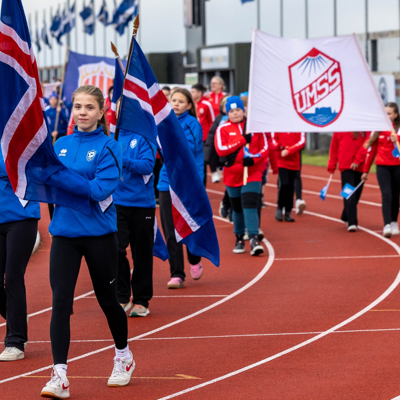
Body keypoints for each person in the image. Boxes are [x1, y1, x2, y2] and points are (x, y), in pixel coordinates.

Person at [40, 85, 133, 399]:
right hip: (64, 235)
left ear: (101, 112)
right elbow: (50, 184)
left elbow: (98, 190)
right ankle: (59, 376)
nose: (82, 112)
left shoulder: (110, 146)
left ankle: (123, 356)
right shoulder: (61, 144)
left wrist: (61, 178)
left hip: (99, 236)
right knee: (60, 303)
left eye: (89, 107)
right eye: (78, 106)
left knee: (108, 302)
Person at [158, 88, 204, 288]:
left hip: (187, 182)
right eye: (173, 100)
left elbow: (189, 149)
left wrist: (169, 136)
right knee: (170, 230)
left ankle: (194, 258)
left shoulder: (192, 123)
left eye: (181, 101)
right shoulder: (162, 121)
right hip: (166, 181)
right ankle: (177, 273)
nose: (176, 104)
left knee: (188, 225)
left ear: (189, 105)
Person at [112, 125, 157, 317]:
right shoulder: (111, 135)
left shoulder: (144, 136)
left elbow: (147, 166)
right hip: (117, 202)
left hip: (142, 204)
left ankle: (141, 300)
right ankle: (122, 296)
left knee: (142, 254)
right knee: (115, 249)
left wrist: (121, 159)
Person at [215, 96, 268, 256]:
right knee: (237, 209)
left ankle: (254, 239)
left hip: (252, 173)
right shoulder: (222, 129)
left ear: (243, 110)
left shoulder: (254, 127)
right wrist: (241, 140)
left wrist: (254, 159)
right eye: (231, 111)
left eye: (238, 110)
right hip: (232, 175)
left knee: (249, 204)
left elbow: (265, 148)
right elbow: (221, 150)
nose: (235, 113)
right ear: (227, 113)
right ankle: (239, 238)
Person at [0, 148, 40, 362]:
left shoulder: (17, 138)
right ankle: (16, 316)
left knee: (13, 277)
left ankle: (15, 341)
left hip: (21, 217)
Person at [361, 102, 400, 238]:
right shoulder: (377, 129)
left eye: (389, 113)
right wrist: (365, 170)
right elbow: (371, 150)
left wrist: (397, 138)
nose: (386, 116)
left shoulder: (398, 130)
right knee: (386, 194)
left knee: (395, 195)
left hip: (397, 166)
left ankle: (394, 222)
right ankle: (387, 224)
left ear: (395, 115)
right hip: (382, 166)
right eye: (384, 113)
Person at [328, 132, 366, 232]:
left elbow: (366, 145)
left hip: (360, 166)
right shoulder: (339, 130)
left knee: (356, 196)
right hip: (345, 166)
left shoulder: (363, 129)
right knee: (349, 194)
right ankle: (352, 222)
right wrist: (332, 164)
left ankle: (346, 214)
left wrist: (357, 160)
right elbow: (334, 148)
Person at [204, 95, 231, 216]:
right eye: (225, 105)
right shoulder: (220, 119)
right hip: (223, 156)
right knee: (230, 183)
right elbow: (211, 137)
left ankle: (229, 204)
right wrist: (208, 156)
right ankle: (227, 203)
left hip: (239, 157)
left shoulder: (243, 121)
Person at [270, 132, 306, 222]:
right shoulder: (278, 127)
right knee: (284, 183)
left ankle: (288, 211)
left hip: (294, 161)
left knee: (291, 186)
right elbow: (273, 140)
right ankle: (280, 206)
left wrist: (289, 150)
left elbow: (302, 141)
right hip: (281, 160)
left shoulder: (298, 127)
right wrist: (280, 147)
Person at [192, 83, 216, 185]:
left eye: (193, 92)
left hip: (204, 138)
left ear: (200, 93)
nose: (191, 94)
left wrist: (209, 137)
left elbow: (212, 121)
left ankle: (202, 185)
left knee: (202, 162)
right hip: (193, 137)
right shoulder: (190, 105)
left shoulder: (207, 104)